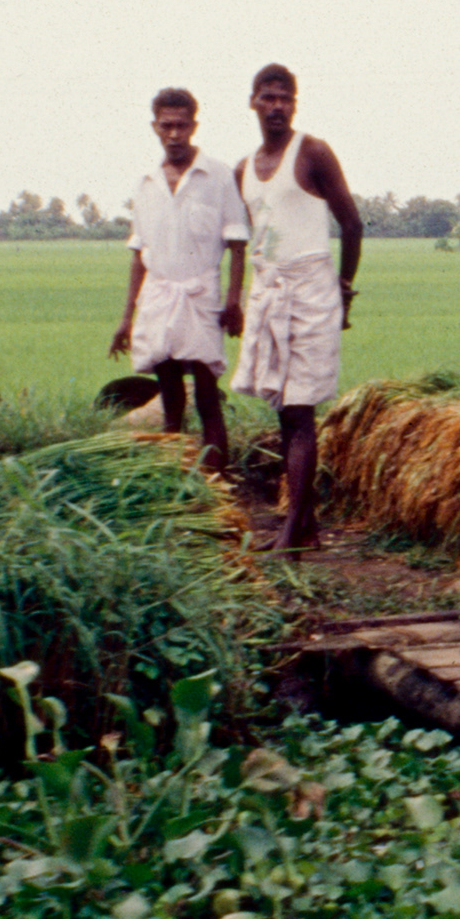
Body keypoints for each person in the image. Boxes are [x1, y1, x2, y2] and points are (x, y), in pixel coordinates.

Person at [233, 62, 364, 554]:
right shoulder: (242, 170)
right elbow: (253, 241)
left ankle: (293, 531)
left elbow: (351, 225)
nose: (277, 106)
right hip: (270, 292)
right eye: (267, 97)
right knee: (285, 414)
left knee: (299, 408)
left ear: (295, 103)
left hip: (311, 291)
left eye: (285, 97)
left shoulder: (312, 152)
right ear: (252, 102)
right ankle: (304, 524)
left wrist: (344, 288)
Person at [110, 87, 249, 475]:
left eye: (181, 125)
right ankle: (176, 480)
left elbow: (237, 243)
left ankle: (217, 482)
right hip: (158, 295)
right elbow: (139, 255)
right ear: (155, 126)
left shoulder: (218, 175)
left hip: (201, 294)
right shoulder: (146, 183)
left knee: (207, 396)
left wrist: (235, 300)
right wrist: (127, 318)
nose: (174, 134)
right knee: (170, 395)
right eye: (166, 125)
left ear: (194, 126)